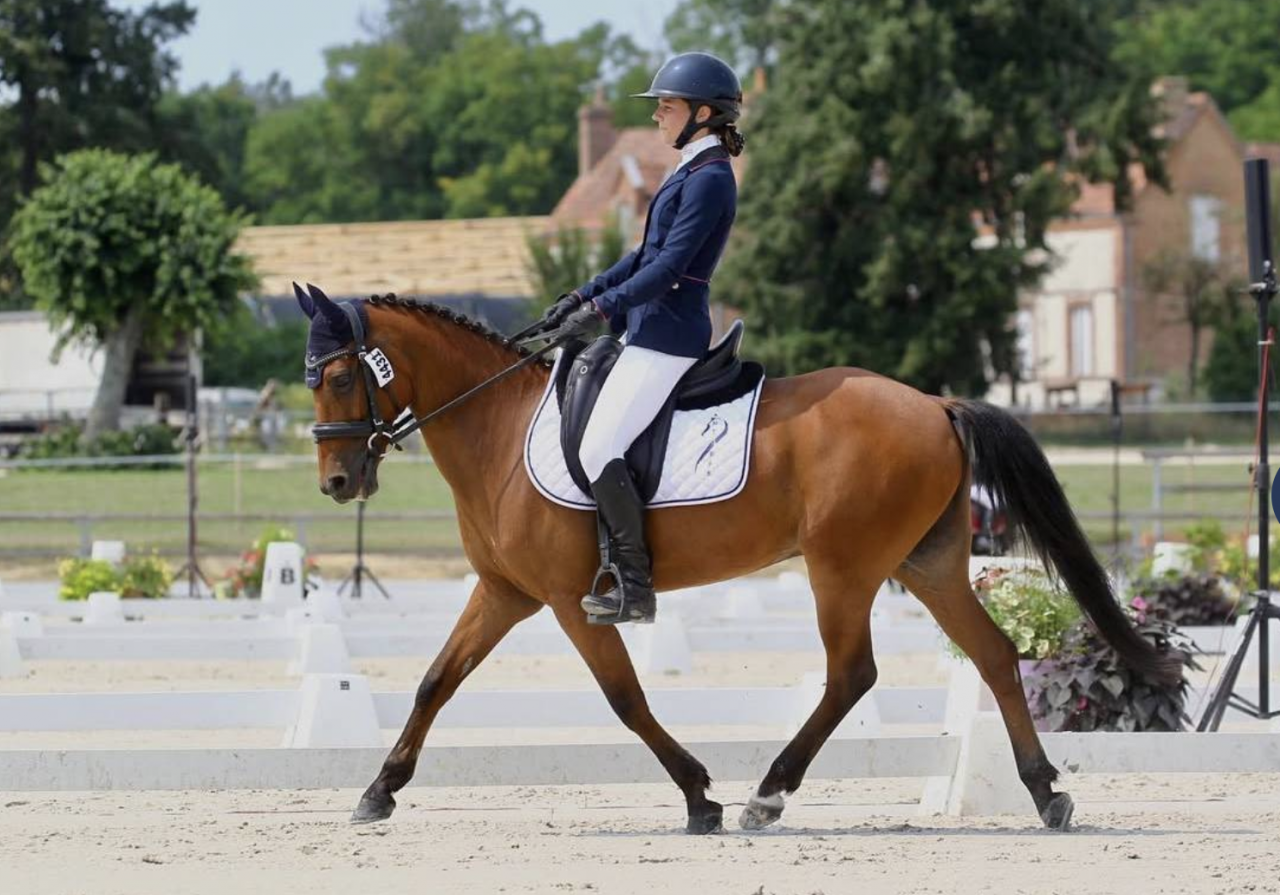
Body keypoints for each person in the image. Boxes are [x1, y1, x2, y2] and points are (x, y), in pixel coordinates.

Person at [541, 51, 745, 624]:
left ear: (703, 113)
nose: (657, 116)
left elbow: (670, 268)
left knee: (599, 445)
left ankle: (634, 585)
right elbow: (641, 256)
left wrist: (604, 308)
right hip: (647, 328)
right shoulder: (687, 172)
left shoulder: (710, 180)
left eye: (667, 106)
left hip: (668, 336)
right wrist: (583, 294)